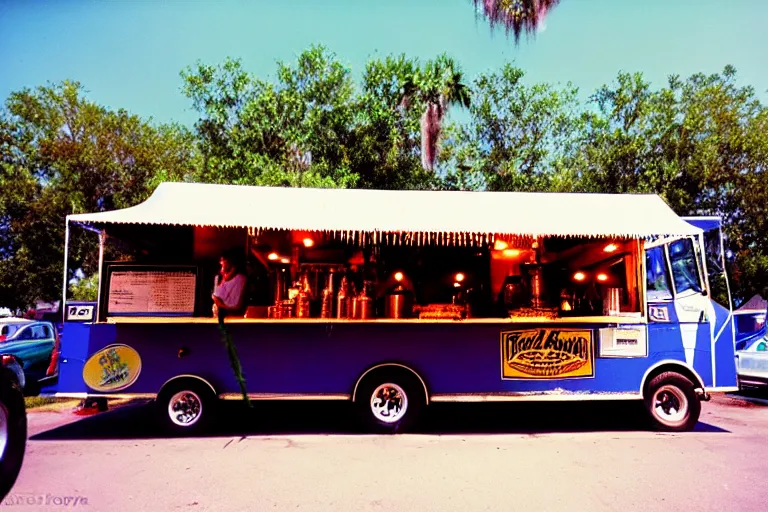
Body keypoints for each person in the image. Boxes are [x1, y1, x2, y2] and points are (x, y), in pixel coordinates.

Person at [212, 249, 248, 318]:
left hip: (233, 319)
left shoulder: (240, 279)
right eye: (221, 265)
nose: (222, 270)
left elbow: (235, 306)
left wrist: (219, 304)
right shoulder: (220, 278)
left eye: (226, 265)